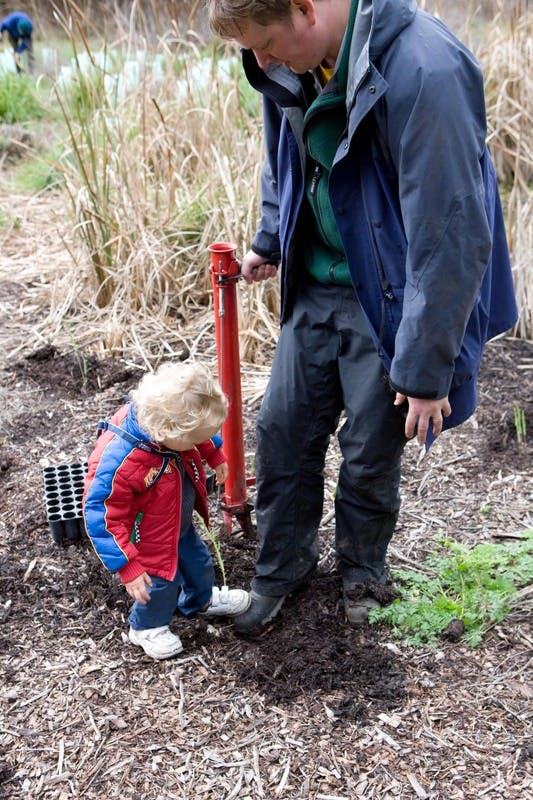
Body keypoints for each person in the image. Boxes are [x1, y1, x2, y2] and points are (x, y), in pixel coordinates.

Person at [205, 0, 518, 634]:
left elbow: (451, 231)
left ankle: (363, 573)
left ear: (304, 9)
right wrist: (273, 234)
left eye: (265, 42)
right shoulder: (293, 61)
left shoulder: (424, 68)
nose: (259, 61)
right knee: (283, 429)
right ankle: (280, 570)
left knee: (371, 446)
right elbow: (286, 148)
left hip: (392, 295)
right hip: (316, 283)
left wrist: (426, 371)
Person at [83, 361, 250, 660]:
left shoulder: (171, 425)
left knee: (198, 562)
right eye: (195, 441)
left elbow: (197, 432)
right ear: (164, 432)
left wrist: (213, 453)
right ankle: (146, 626)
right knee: (159, 580)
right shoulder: (119, 460)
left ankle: (199, 600)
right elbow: (101, 514)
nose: (199, 443)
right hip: (146, 534)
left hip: (176, 521)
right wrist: (126, 565)